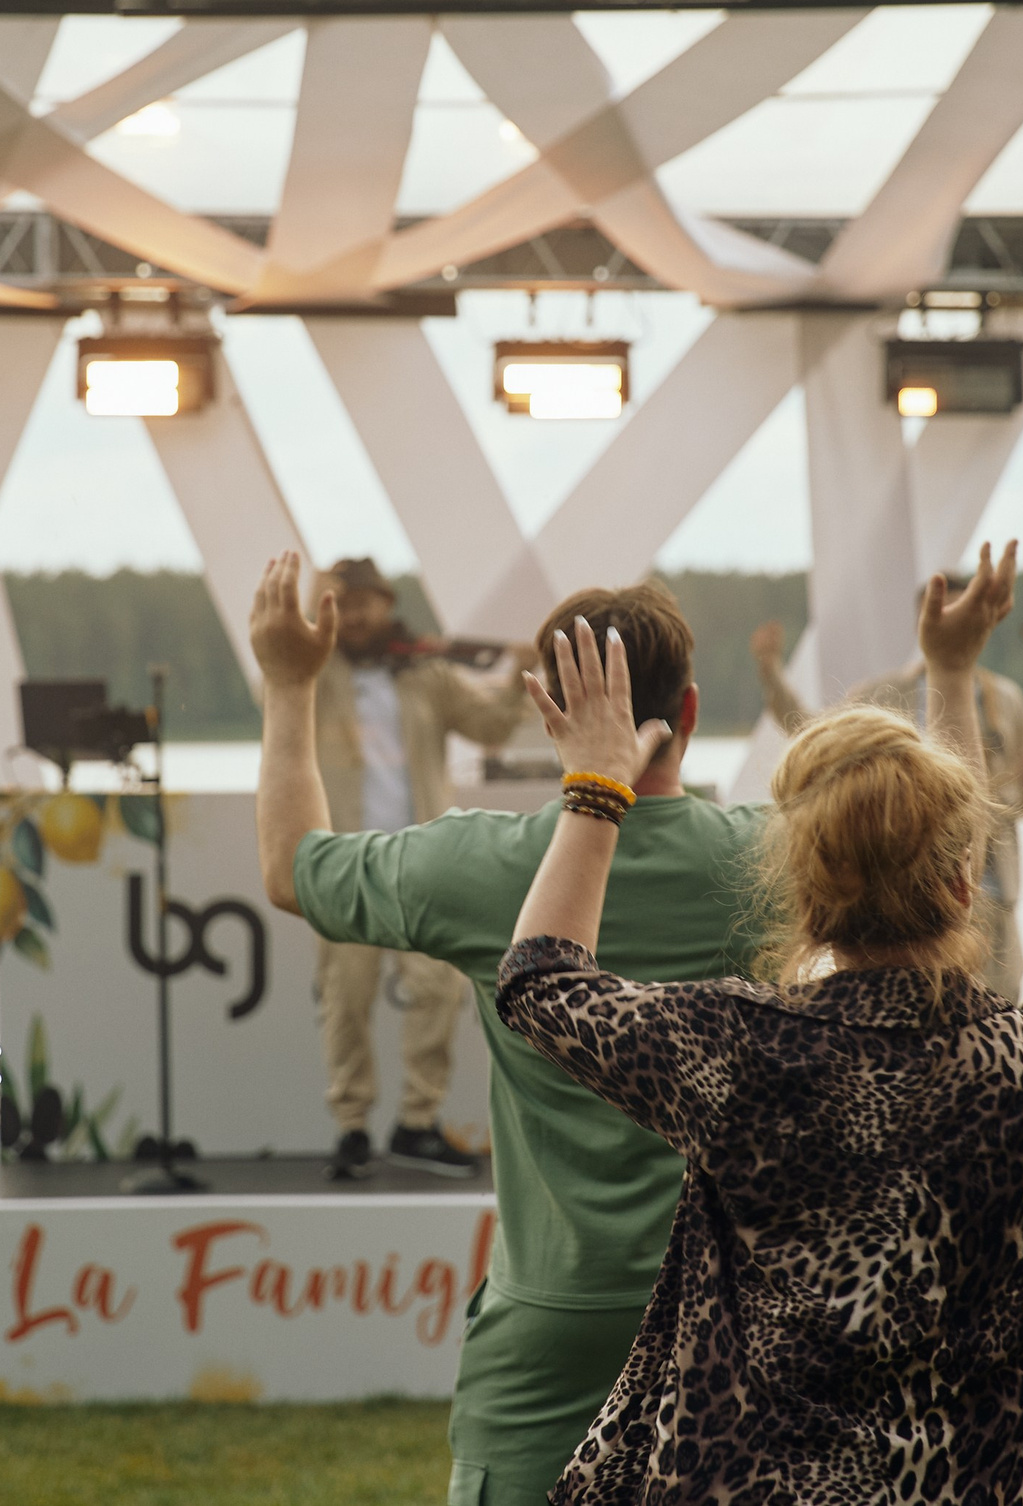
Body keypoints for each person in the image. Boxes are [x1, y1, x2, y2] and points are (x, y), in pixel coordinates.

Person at [491, 541, 1023, 1503]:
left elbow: (541, 984)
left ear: (804, 889)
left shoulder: (738, 1052)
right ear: (964, 887)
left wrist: (599, 783)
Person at [253, 554, 767, 1506]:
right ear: (690, 713)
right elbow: (948, 846)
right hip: (737, 1313)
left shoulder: (476, 864)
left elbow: (292, 869)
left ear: (552, 714)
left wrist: (290, 685)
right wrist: (949, 674)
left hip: (552, 1315)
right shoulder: (773, 860)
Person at [307, 556, 533, 1179]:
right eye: (343, 603)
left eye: (364, 603)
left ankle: (417, 1121)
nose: (354, 615)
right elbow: (271, 676)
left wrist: (519, 674)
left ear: (386, 604)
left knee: (439, 987)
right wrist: (311, 616)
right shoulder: (313, 671)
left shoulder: (426, 672)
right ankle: (351, 1127)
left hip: (419, 858)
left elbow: (489, 727)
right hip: (346, 857)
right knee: (345, 998)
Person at [839, 581, 1023, 1000]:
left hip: (991, 891)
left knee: (999, 1012)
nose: (955, 625)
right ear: (924, 623)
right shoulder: (878, 695)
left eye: (963, 614)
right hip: (901, 897)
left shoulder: (1006, 699)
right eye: (944, 614)